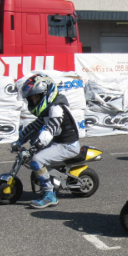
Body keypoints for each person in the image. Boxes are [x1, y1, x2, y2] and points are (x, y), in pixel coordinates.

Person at [12, 74, 81, 209]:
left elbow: (49, 130)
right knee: (34, 147)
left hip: (67, 146)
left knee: (36, 160)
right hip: (59, 143)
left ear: (46, 93)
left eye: (36, 97)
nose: (34, 101)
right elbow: (33, 127)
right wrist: (19, 141)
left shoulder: (56, 109)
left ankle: (50, 195)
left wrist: (34, 148)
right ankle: (49, 177)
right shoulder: (49, 109)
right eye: (31, 99)